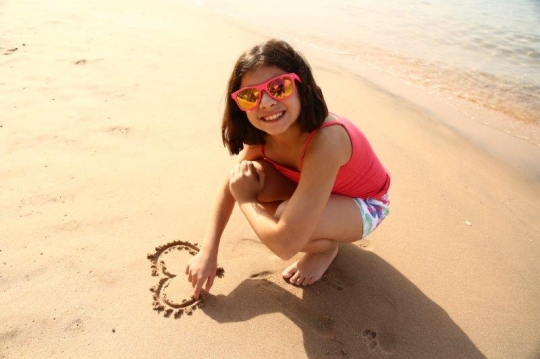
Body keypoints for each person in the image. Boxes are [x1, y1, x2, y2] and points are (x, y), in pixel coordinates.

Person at [186, 39, 390, 299]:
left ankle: (325, 249)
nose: (267, 103)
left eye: (279, 87)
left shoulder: (328, 140)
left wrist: (246, 200)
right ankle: (311, 222)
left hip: (366, 203)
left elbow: (285, 246)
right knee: (250, 174)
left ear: (301, 85)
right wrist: (208, 251)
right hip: (320, 188)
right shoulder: (264, 135)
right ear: (239, 105)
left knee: (282, 217)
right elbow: (231, 182)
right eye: (250, 96)